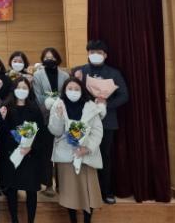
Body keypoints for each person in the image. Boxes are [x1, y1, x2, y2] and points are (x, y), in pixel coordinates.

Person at [74, 40, 129, 204]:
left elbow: (124, 95)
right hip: (84, 121)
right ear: (88, 54)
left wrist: (106, 103)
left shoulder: (114, 73)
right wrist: (76, 80)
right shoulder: (80, 71)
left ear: (105, 55)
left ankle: (106, 191)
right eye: (92, 52)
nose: (95, 55)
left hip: (107, 121)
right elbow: (71, 92)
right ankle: (85, 192)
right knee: (82, 154)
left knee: (105, 156)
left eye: (98, 52)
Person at [49, 78, 104, 223]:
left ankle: (87, 220)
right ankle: (72, 219)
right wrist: (58, 116)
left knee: (89, 191)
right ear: (64, 90)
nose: (73, 92)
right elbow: (56, 132)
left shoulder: (91, 106)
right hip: (66, 155)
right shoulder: (58, 105)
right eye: (70, 89)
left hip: (86, 155)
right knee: (70, 193)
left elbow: (98, 131)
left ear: (82, 90)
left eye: (76, 89)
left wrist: (87, 148)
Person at [0, 77, 46, 223]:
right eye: (19, 87)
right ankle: (14, 220)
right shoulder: (6, 107)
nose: (21, 90)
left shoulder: (34, 109)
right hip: (11, 156)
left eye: (25, 88)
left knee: (31, 190)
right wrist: (3, 119)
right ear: (14, 89)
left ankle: (31, 220)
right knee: (11, 189)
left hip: (30, 156)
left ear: (29, 90)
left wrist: (31, 147)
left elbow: (41, 133)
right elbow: (1, 134)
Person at [32, 47, 69, 197]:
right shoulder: (37, 75)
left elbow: (67, 93)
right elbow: (37, 95)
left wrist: (58, 103)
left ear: (57, 59)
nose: (50, 60)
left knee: (62, 150)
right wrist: (49, 102)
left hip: (61, 116)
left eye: (52, 57)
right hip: (45, 117)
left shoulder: (65, 75)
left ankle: (62, 184)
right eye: (46, 57)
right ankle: (48, 184)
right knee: (46, 152)